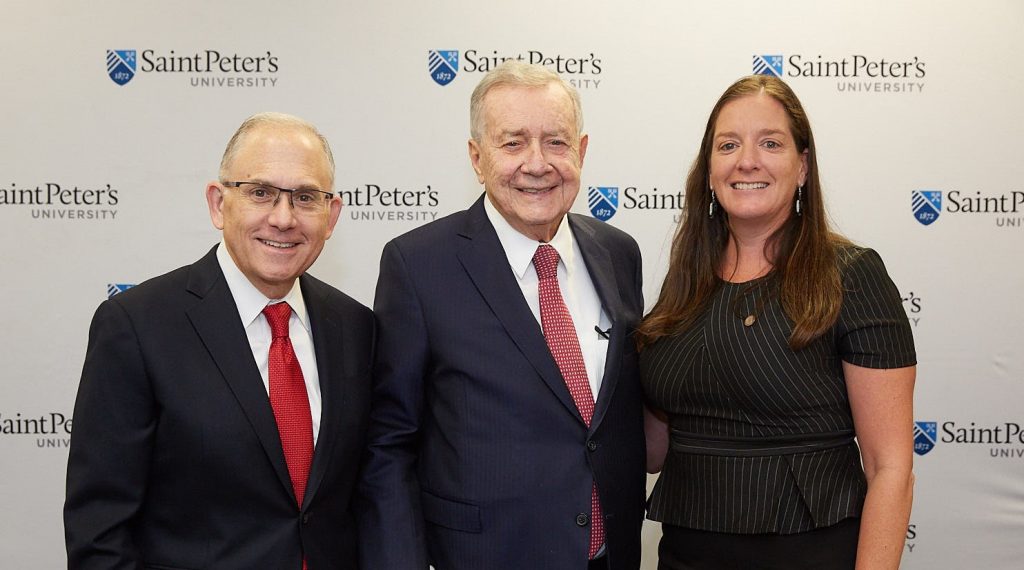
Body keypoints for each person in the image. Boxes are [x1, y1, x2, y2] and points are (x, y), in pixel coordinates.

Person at [357, 61, 646, 570]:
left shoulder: (618, 253)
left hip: (608, 555)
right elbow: (389, 444)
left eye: (555, 142)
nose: (536, 164)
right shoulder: (419, 265)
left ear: (581, 150)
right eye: (512, 143)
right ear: (476, 157)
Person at [64, 113, 374, 570]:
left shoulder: (356, 328)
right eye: (260, 193)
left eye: (306, 197)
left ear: (331, 217)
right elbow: (99, 531)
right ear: (217, 203)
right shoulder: (136, 326)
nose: (283, 218)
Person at [638, 75, 916, 569]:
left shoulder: (851, 276)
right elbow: (652, 450)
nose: (748, 160)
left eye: (770, 143)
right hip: (683, 555)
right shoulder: (684, 284)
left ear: (803, 166)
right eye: (729, 145)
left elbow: (889, 467)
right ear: (708, 169)